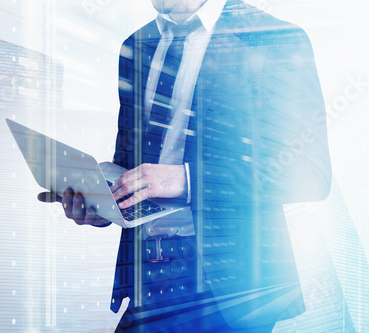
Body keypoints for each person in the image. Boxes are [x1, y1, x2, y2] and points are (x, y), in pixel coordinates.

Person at [59, 0, 332, 331]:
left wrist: (188, 180)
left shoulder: (273, 40)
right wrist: (103, 197)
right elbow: (132, 164)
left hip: (230, 291)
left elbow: (309, 172)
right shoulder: (137, 44)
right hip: (149, 281)